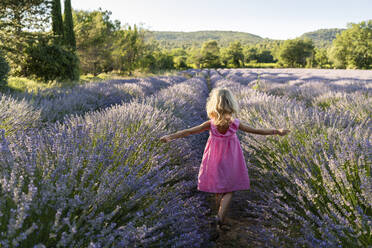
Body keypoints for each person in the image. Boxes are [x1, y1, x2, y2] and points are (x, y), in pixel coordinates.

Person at [159, 88, 290, 232]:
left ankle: (219, 220)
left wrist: (170, 137)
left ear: (214, 105)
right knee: (230, 189)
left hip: (214, 158)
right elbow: (256, 130)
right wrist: (277, 131)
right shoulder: (235, 124)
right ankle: (220, 218)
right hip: (231, 159)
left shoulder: (210, 124)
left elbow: (189, 131)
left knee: (218, 187)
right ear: (231, 104)